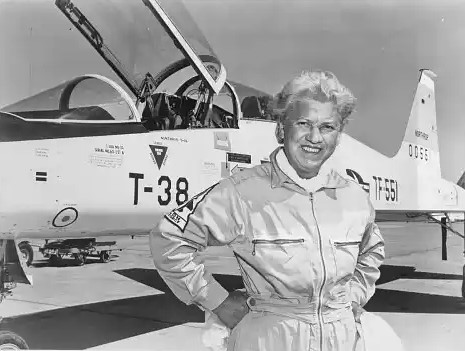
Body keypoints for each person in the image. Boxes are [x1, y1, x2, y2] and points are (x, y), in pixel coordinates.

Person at [150, 70, 385, 350]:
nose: (314, 138)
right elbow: (168, 239)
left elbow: (371, 251)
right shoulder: (240, 192)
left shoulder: (354, 198)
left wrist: (353, 298)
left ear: (339, 135)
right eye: (303, 123)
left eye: (327, 127)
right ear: (281, 129)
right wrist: (217, 301)